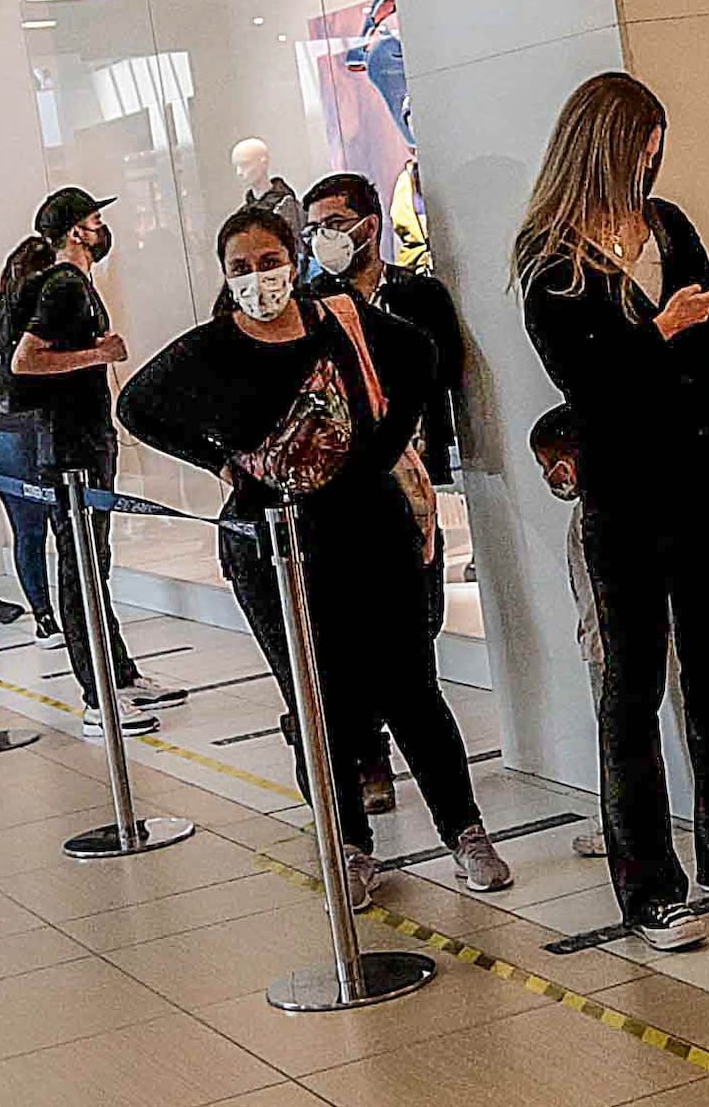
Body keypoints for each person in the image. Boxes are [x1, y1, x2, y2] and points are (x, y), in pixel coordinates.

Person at [126, 205, 507, 898]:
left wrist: (381, 450)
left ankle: (465, 830)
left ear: (293, 260)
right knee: (317, 700)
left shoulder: (342, 321)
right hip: (273, 544)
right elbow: (137, 406)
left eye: (267, 262)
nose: (256, 279)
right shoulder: (210, 348)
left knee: (411, 689)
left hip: (371, 530)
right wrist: (221, 463)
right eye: (239, 268)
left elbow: (423, 360)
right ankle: (350, 844)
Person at [511, 71, 709, 952]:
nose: (652, 158)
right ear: (606, 143)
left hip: (702, 472)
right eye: (643, 141)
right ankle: (645, 886)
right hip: (623, 493)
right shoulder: (551, 260)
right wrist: (663, 336)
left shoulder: (667, 224)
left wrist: (681, 331)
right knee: (632, 687)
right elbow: (588, 386)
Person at [305, 170, 462, 810]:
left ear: (370, 222)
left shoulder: (417, 295)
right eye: (314, 228)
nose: (325, 237)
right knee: (347, 637)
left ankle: (437, 781)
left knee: (417, 626)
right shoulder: (310, 303)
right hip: (342, 493)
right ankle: (369, 761)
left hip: (413, 478)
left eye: (336, 223)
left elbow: (445, 370)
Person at [4, 190, 155, 740]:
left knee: (95, 561)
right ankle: (98, 695)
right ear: (74, 231)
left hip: (87, 438)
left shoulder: (78, 284)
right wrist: (99, 354)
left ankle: (118, 674)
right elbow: (26, 361)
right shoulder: (64, 285)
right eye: (94, 220)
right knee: (81, 566)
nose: (101, 228)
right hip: (69, 448)